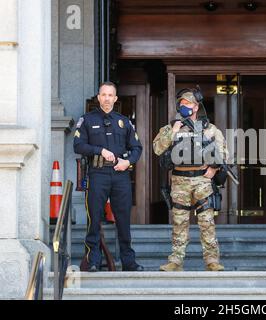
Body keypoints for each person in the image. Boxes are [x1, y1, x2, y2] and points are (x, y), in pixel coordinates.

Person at [153, 87, 227, 272]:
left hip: (202, 180)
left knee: (207, 222)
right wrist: (174, 131)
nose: (184, 107)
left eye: (187, 104)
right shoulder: (171, 127)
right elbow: (157, 149)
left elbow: (223, 152)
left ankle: (212, 261)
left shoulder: (209, 129)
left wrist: (214, 168)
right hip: (179, 180)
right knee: (179, 223)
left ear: (195, 106)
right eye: (181, 104)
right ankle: (175, 261)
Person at [73, 82, 144, 272]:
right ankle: (93, 260)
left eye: (110, 95)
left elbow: (137, 148)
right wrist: (100, 150)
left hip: (120, 174)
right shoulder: (87, 120)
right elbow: (78, 146)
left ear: (115, 98)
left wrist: (127, 162)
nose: (106, 98)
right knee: (94, 218)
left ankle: (129, 262)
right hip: (97, 174)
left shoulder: (124, 121)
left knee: (123, 219)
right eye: (103, 95)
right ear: (98, 97)